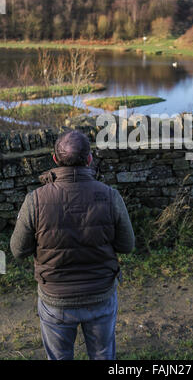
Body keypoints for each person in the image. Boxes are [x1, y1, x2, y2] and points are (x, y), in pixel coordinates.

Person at [10, 130, 135, 360]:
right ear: (89, 159)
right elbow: (127, 245)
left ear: (55, 159)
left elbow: (18, 250)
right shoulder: (110, 196)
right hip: (100, 294)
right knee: (103, 354)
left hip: (55, 298)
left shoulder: (35, 200)